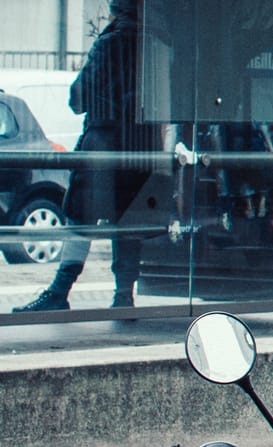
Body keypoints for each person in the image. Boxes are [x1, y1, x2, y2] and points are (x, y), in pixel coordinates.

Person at [15, 0, 149, 313]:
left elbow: (78, 98)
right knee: (129, 221)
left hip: (102, 142)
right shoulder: (154, 45)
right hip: (141, 145)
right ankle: (124, 296)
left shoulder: (109, 42)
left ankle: (60, 290)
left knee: (80, 217)